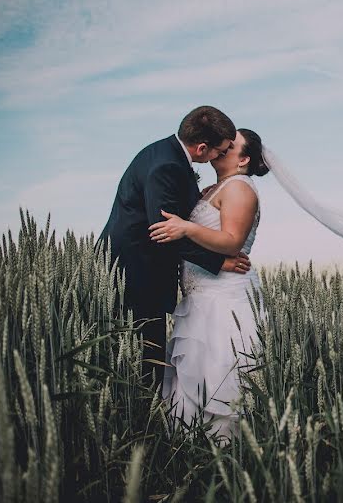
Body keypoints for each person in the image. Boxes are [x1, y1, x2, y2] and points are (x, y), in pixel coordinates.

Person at [98, 106, 252, 387]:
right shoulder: (167, 166)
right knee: (146, 355)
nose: (222, 155)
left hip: (139, 269)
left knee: (145, 353)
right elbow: (165, 231)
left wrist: (200, 199)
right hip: (136, 273)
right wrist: (219, 262)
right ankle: (144, 419)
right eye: (221, 150)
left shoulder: (164, 153)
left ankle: (147, 415)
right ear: (203, 148)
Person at [148, 128, 268, 441]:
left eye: (231, 145)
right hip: (201, 296)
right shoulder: (216, 188)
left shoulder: (240, 188)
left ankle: (226, 451)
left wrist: (185, 227)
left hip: (224, 298)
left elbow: (231, 242)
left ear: (243, 159)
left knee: (221, 373)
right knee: (194, 375)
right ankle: (188, 451)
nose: (222, 146)